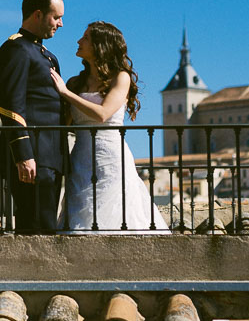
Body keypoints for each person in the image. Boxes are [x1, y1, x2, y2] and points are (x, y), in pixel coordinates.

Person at [50, 21, 169, 232]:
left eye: (85, 38)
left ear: (100, 45)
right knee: (81, 213)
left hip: (110, 157)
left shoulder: (120, 78)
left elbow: (103, 114)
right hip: (81, 157)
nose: (78, 41)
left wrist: (65, 94)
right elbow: (64, 123)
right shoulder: (75, 82)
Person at [0, 0, 67, 233]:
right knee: (35, 230)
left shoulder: (47, 56)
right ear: (37, 15)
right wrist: (23, 154)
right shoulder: (15, 49)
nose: (61, 24)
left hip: (50, 158)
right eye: (56, 17)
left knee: (46, 228)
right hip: (33, 158)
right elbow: (10, 104)